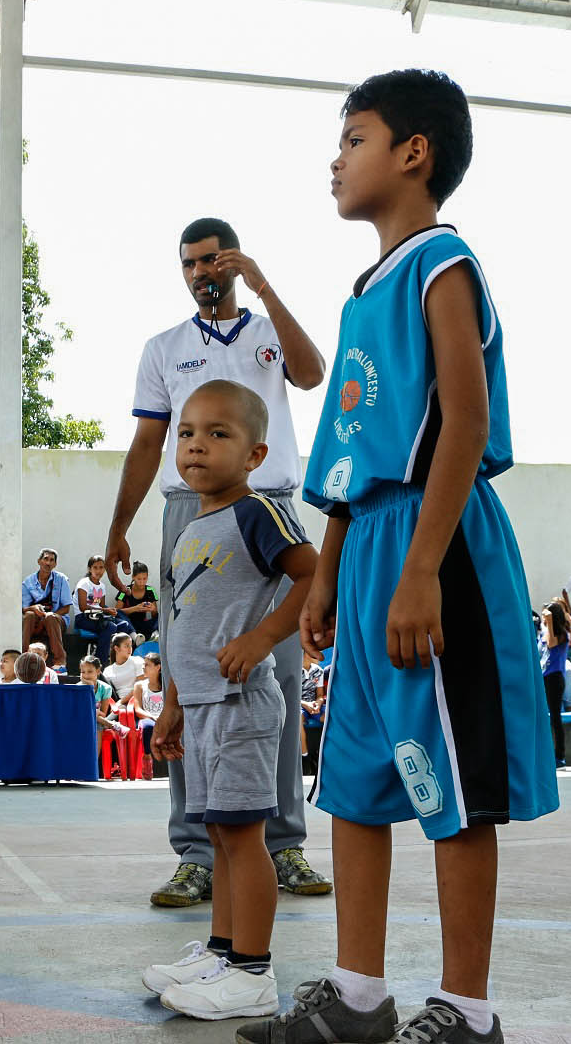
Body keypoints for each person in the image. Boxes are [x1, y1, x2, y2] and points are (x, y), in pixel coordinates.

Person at [245, 70, 558, 1044]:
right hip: (371, 534)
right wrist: (328, 572)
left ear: (412, 152)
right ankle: (357, 995)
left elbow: (461, 419)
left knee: (450, 783)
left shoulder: (440, 262)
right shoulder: (359, 294)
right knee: (359, 775)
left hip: (436, 534)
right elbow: (345, 457)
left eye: (355, 138)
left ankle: (467, 1011)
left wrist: (422, 565)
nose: (335, 158)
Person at [107, 213, 331, 910]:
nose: (203, 272)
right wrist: (119, 524)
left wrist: (263, 283)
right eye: (191, 264)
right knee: (191, 674)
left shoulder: (268, 333)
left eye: (214, 260)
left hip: (269, 506)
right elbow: (149, 444)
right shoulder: (164, 347)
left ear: (233, 263)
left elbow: (314, 371)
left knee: (279, 675)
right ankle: (196, 851)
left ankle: (284, 840)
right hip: (192, 513)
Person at [139, 380, 318, 1021]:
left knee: (245, 838)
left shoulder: (257, 514)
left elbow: (313, 573)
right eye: (187, 432)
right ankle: (222, 951)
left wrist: (265, 635)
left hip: (242, 704)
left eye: (219, 434)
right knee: (219, 835)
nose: (196, 445)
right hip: (203, 706)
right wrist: (172, 705)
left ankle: (253, 973)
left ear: (254, 455)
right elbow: (185, 623)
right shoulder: (194, 526)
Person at [20, 549, 73, 670]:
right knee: (29, 615)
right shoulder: (28, 582)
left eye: (51, 560)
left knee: (50, 617)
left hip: (56, 619)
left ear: (55, 564)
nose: (48, 563)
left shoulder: (61, 580)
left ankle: (60, 662)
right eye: (45, 559)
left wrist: (48, 616)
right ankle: (23, 658)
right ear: (39, 561)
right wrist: (33, 608)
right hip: (35, 621)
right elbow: (24, 608)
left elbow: (66, 608)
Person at [75, 554, 133, 653]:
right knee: (110, 627)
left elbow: (101, 606)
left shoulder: (102, 586)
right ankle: (101, 659)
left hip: (97, 617)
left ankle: (114, 656)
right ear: (90, 569)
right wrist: (105, 610)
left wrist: (110, 612)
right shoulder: (84, 583)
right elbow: (83, 607)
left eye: (101, 567)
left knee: (123, 625)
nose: (98, 571)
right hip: (83, 618)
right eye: (95, 568)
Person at [541, 601, 571, 769]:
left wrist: (551, 622)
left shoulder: (562, 633)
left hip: (554, 678)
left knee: (555, 717)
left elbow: (552, 644)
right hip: (543, 676)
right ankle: (544, 754)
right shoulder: (544, 632)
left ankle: (559, 756)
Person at [126, 651, 166, 776]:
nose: (143, 667)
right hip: (147, 718)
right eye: (143, 664)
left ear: (158, 667)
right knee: (148, 727)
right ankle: (147, 757)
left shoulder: (166, 685)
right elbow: (138, 709)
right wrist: (153, 717)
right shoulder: (139, 686)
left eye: (147, 665)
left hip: (165, 718)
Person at [117, 561, 159, 641]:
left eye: (144, 579)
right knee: (118, 614)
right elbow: (116, 611)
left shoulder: (150, 590)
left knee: (160, 616)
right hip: (129, 624)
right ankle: (134, 636)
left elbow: (155, 614)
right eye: (139, 579)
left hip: (144, 623)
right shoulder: (125, 590)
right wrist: (136, 608)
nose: (142, 582)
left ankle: (155, 635)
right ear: (133, 577)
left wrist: (152, 609)